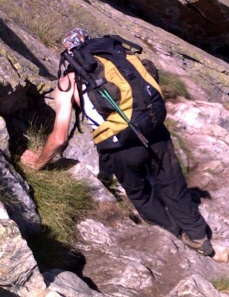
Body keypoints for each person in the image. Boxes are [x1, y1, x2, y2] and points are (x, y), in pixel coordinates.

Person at [21, 28, 214, 257]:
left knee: (140, 193)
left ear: (69, 54)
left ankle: (171, 233)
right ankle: (199, 237)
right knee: (173, 184)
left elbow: (59, 137)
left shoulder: (68, 82)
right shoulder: (125, 59)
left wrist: (38, 161)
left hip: (120, 147)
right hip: (155, 132)